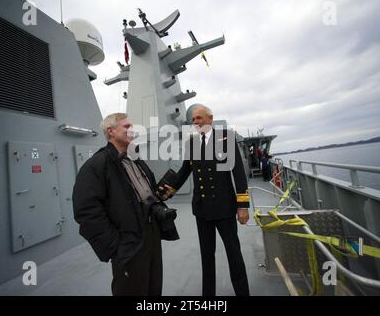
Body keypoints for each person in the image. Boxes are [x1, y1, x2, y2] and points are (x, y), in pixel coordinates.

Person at [72, 113, 178, 296]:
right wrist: (116, 246)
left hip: (151, 235)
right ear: (111, 131)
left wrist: (159, 197)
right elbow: (86, 212)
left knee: (153, 288)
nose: (132, 130)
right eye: (127, 126)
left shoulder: (135, 160)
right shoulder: (96, 164)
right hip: (127, 243)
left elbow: (146, 193)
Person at [161, 105, 250, 296]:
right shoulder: (192, 143)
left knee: (234, 253)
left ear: (210, 118)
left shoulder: (225, 138)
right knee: (206, 256)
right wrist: (170, 191)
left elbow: (239, 174)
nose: (196, 123)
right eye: (193, 120)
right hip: (201, 209)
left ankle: (243, 293)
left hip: (224, 207)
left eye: (199, 118)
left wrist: (242, 206)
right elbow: (185, 170)